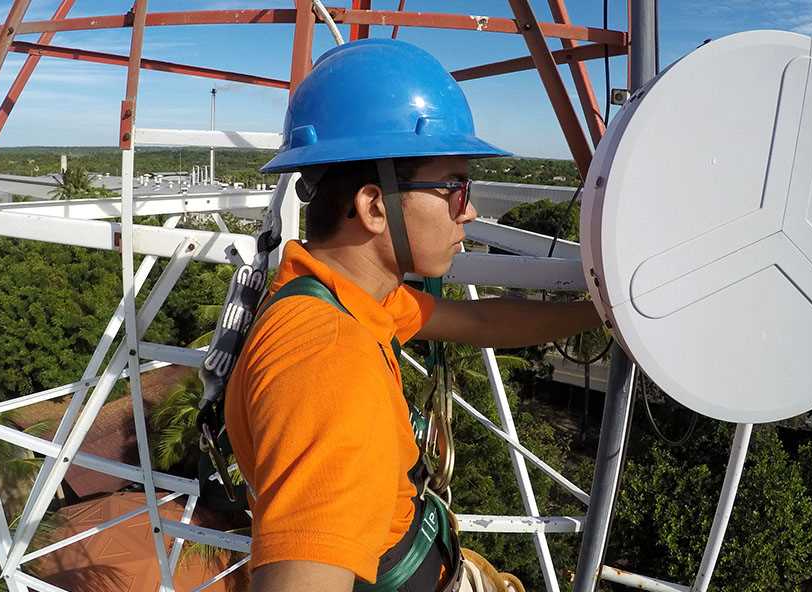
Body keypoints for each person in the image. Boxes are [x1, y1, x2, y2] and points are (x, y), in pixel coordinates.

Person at [224, 39, 603, 592]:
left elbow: (479, 324)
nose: (468, 210)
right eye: (454, 187)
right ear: (374, 207)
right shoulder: (328, 361)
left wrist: (595, 313)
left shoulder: (345, 295)